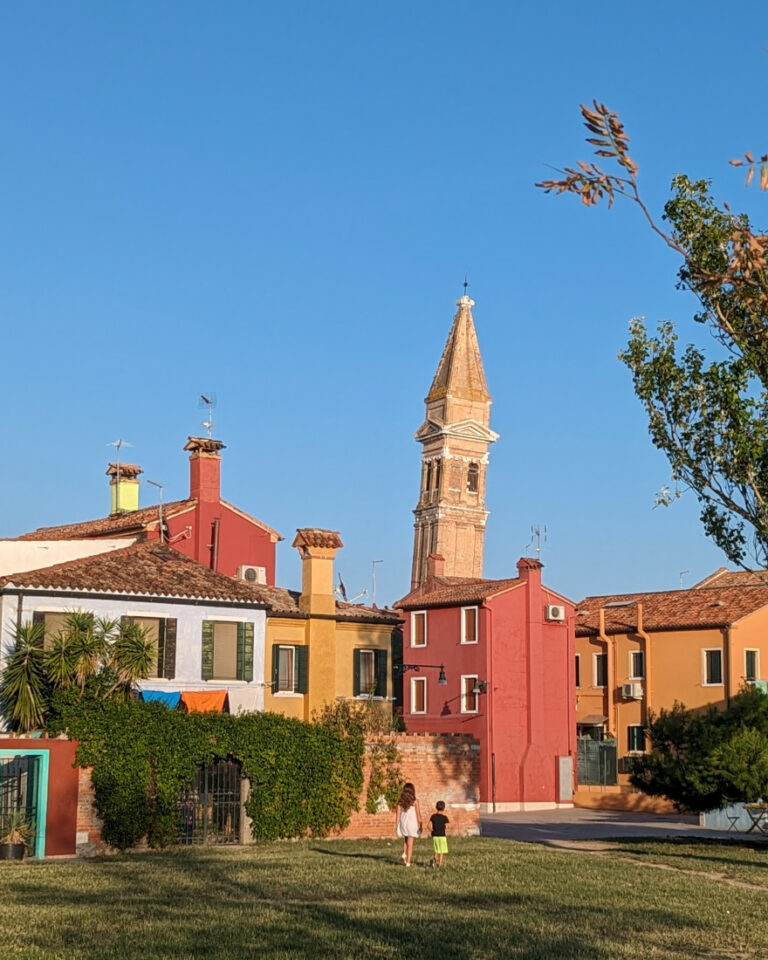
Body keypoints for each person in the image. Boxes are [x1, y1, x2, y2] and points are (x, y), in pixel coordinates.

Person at [395, 782, 423, 866]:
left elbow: (398, 815)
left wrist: (397, 826)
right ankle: (408, 862)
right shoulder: (415, 801)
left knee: (405, 840)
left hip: (404, 823)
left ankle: (404, 854)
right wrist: (420, 825)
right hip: (412, 823)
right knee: (410, 844)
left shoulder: (400, 802)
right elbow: (418, 814)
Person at [429, 800, 449, 867]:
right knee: (441, 850)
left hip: (435, 835)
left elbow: (428, 825)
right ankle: (440, 864)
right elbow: (447, 826)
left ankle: (433, 859)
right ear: (444, 808)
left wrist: (432, 831)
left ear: (436, 807)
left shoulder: (433, 816)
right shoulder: (444, 818)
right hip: (442, 836)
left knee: (436, 849)